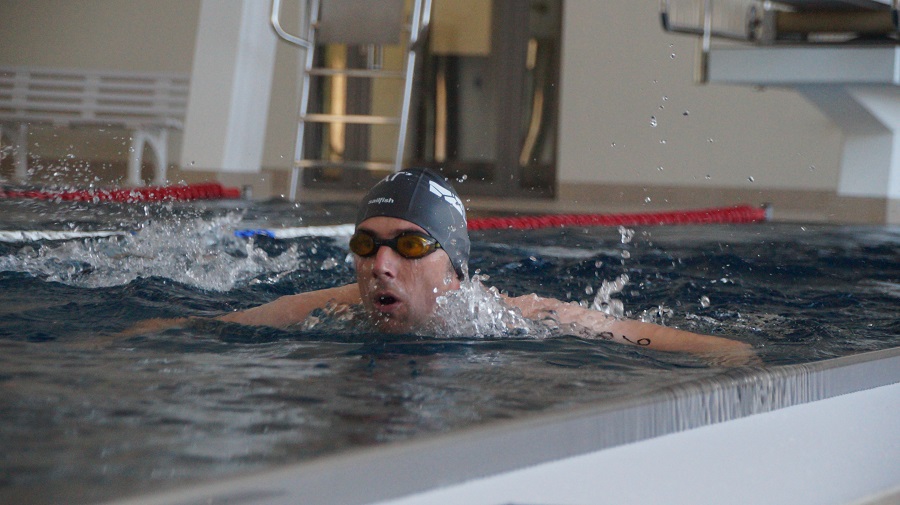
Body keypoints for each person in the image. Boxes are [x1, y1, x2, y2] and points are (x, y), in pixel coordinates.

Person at [128, 168, 754, 363]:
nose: (380, 264)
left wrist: (743, 358)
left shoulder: (515, 321)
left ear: (452, 266)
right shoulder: (329, 311)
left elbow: (667, 341)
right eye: (366, 243)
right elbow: (217, 327)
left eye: (407, 245)